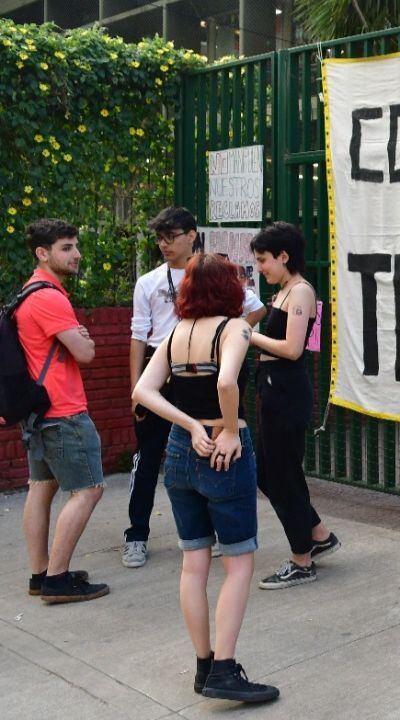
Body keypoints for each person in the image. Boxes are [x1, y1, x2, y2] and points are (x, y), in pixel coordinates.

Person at [132, 253, 278, 703]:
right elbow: (227, 382)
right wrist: (228, 429)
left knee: (194, 563)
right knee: (238, 563)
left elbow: (143, 391)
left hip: (181, 450)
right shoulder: (234, 327)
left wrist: (191, 426)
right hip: (224, 452)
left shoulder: (175, 332)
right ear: (229, 287)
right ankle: (224, 671)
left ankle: (203, 665)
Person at [124, 207, 266, 568]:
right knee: (150, 456)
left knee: (213, 450)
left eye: (170, 236)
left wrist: (230, 335)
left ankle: (215, 529)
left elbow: (254, 308)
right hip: (165, 362)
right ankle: (136, 534)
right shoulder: (150, 281)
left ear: (192, 234)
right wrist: (134, 389)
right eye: (159, 238)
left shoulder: (212, 272)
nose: (164, 244)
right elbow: (139, 337)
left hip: (206, 364)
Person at [17, 219, 111, 604]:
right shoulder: (50, 298)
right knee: (88, 489)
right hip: (64, 412)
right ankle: (57, 579)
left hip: (40, 413)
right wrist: (82, 340)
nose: (76, 255)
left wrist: (79, 340)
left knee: (41, 488)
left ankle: (41, 574)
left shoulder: (29, 292)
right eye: (67, 248)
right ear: (43, 253)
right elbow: (86, 353)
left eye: (75, 246)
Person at [248, 222, 340, 589]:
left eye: (264, 260)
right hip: (274, 388)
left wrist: (249, 335)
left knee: (281, 474)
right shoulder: (285, 292)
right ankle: (318, 534)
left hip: (286, 390)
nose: (260, 268)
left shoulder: (300, 292)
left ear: (284, 256)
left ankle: (301, 559)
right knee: (269, 472)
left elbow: (293, 349)